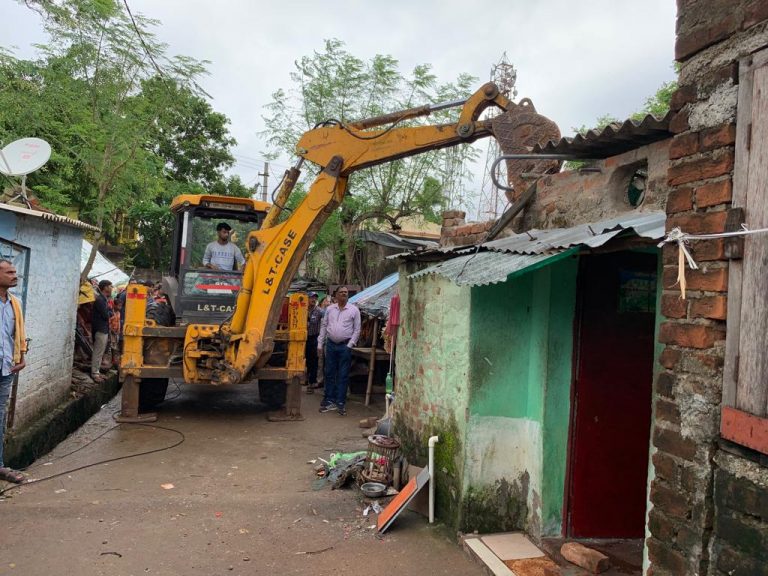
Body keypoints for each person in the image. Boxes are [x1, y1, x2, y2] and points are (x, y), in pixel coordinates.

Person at [0, 259, 28, 483]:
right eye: (9, 272)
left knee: (0, 419)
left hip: (6, 369)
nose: (14, 275)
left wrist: (22, 356)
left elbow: (17, 333)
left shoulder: (14, 304)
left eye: (15, 272)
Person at [317, 286, 360, 416]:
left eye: (345, 293)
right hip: (330, 345)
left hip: (344, 346)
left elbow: (357, 329)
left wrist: (350, 345)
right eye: (341, 292)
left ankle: (340, 402)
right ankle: (329, 400)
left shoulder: (354, 310)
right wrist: (320, 344)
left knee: (343, 375)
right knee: (329, 372)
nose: (344, 294)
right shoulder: (329, 309)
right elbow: (324, 326)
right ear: (336, 295)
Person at [91, 279, 113, 383]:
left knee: (100, 352)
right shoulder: (100, 300)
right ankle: (95, 373)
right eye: (110, 286)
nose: (112, 288)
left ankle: (97, 371)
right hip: (100, 329)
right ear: (105, 287)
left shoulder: (104, 299)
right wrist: (110, 312)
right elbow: (106, 315)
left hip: (103, 329)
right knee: (98, 352)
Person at [305, 292, 324, 393]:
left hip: (314, 339)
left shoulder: (319, 311)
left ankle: (311, 383)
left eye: (315, 298)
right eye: (311, 297)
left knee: (314, 361)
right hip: (303, 339)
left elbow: (327, 319)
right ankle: (306, 379)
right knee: (306, 360)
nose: (313, 299)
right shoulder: (303, 309)